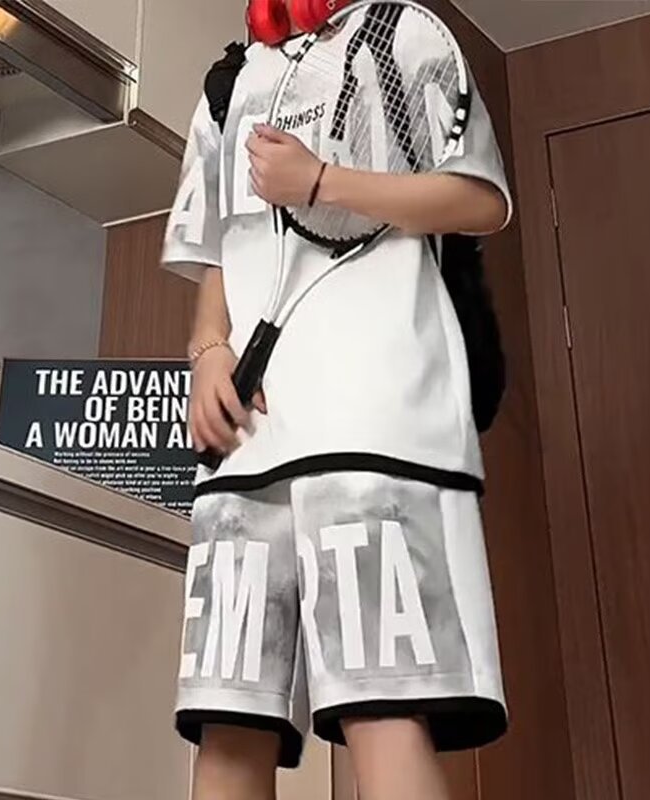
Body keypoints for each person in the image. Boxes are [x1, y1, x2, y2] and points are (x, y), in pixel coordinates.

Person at [162, 1, 512, 798]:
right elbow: (220, 245)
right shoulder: (225, 84)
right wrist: (207, 349)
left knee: (382, 710)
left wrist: (322, 181)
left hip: (374, 422)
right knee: (227, 724)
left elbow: (479, 199)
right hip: (247, 436)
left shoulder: (400, 31)